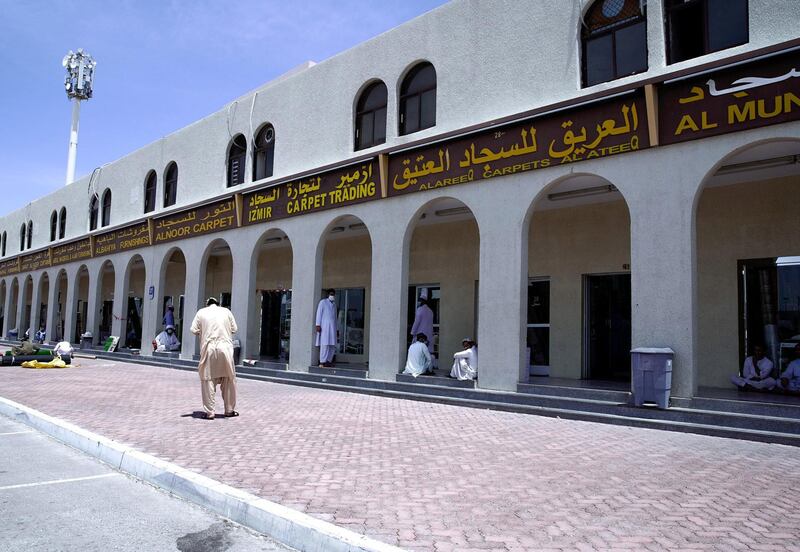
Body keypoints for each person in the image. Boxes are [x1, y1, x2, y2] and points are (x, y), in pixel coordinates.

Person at [190, 297, 239, 420]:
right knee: (228, 379)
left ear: (207, 304)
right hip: (226, 348)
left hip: (209, 348)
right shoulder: (227, 311)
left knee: (208, 380)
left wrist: (203, 331)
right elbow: (234, 329)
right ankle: (229, 410)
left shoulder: (201, 312)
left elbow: (193, 330)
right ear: (218, 304)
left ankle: (210, 412)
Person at [410, 291, 435, 373]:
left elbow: (416, 322)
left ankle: (419, 368)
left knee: (419, 352)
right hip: (428, 335)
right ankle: (428, 369)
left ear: (422, 301)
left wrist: (412, 332)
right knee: (427, 353)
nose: (419, 302)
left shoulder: (420, 310)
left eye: (420, 300)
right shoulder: (430, 311)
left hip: (420, 334)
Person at [315, 289, 338, 367]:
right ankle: (322, 361)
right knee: (324, 344)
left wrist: (337, 329)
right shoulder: (323, 302)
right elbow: (319, 313)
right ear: (328, 295)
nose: (332, 296)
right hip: (324, 327)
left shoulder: (334, 304)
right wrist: (318, 325)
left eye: (333, 294)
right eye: (331, 294)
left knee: (332, 345)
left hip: (333, 328)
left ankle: (328, 361)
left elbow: (335, 318)